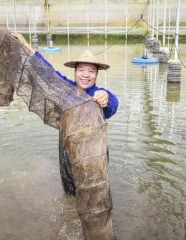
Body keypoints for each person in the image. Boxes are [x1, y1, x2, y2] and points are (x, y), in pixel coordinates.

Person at [13, 34, 118, 194]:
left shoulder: (98, 93)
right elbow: (47, 73)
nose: (85, 75)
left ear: (96, 75)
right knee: (69, 190)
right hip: (67, 151)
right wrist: (26, 46)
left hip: (92, 156)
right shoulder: (66, 89)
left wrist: (106, 98)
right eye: (81, 70)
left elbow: (112, 104)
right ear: (75, 72)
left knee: (93, 192)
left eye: (91, 71)